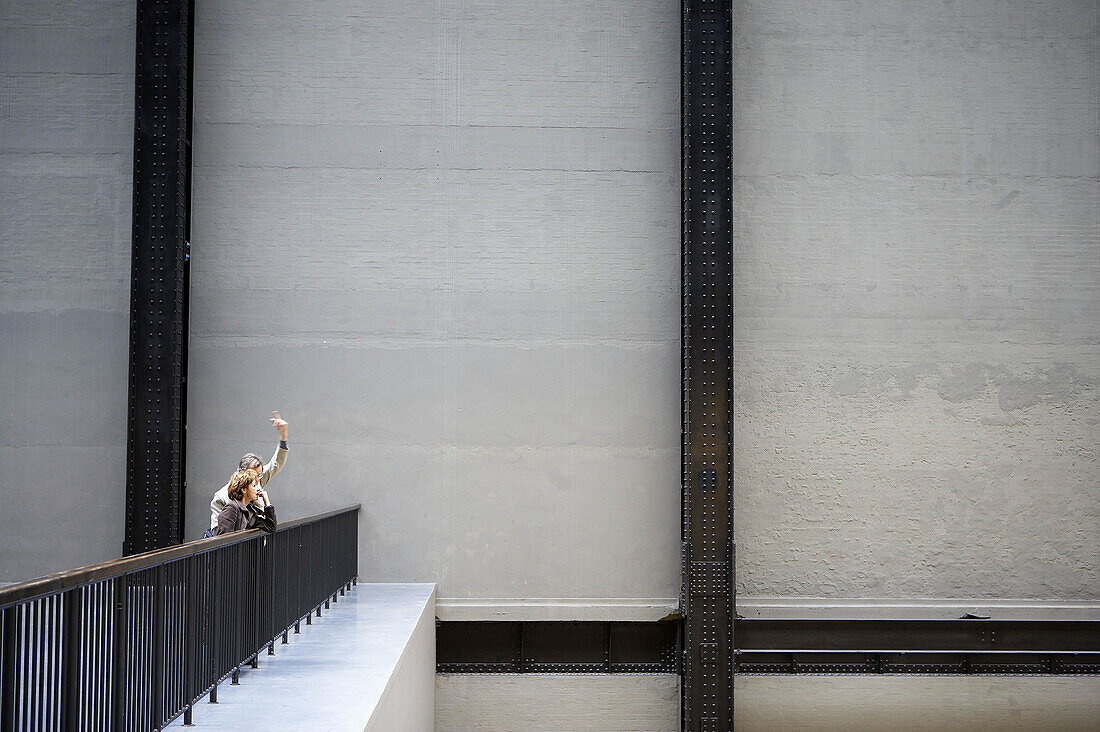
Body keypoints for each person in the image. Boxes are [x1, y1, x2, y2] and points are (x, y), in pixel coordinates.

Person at [209, 411, 290, 531]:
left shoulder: (256, 484)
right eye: (253, 476)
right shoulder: (222, 497)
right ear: (242, 473)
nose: (257, 480)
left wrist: (283, 435)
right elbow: (219, 534)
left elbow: (276, 463)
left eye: (259, 475)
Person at [214, 469, 277, 535]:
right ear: (244, 489)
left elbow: (271, 527)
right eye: (254, 486)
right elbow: (224, 540)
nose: (258, 489)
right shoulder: (232, 508)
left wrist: (267, 502)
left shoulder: (249, 511)